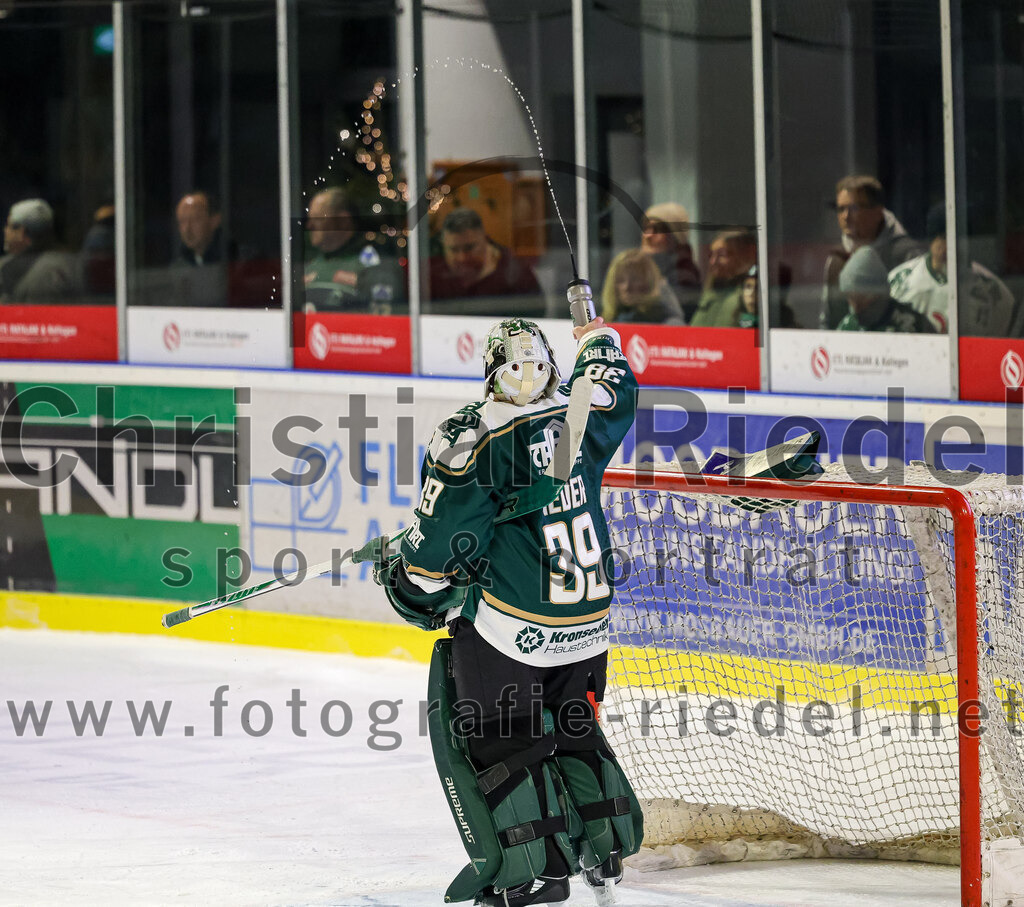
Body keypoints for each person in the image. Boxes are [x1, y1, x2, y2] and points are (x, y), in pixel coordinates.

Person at [358, 314, 643, 906]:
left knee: (501, 739)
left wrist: (400, 568)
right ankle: (604, 850)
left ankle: (531, 872)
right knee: (573, 729)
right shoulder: (580, 411)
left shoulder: (474, 437)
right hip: (589, 625)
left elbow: (435, 562)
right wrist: (595, 336)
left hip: (514, 629)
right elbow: (613, 376)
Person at [888, 202, 1017, 336]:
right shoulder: (900, 282)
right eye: (944, 238)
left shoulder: (994, 292)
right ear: (931, 240)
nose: (951, 246)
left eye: (958, 238)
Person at [820, 175, 924, 329]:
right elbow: (827, 322)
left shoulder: (908, 255)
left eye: (854, 208)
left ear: (878, 211)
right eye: (841, 209)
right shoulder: (836, 260)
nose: (846, 216)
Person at [303, 186, 405, 314]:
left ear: (343, 221)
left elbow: (389, 293)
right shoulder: (311, 261)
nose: (309, 225)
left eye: (318, 218)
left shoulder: (372, 256)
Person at [429, 208, 541, 301]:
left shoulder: (514, 272)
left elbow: (535, 316)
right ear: (443, 245)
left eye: (469, 248)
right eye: (454, 250)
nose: (462, 258)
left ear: (484, 239)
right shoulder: (430, 272)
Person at [835, 245, 935, 333]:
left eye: (861, 297)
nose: (855, 305)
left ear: (877, 293)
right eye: (850, 296)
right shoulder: (848, 326)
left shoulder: (910, 325)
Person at [0, 198, 80, 303]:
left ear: (21, 232)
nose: (5, 231)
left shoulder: (48, 273)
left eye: (9, 226)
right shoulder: (68, 263)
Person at [640, 202, 701, 321]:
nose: (649, 235)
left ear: (676, 238)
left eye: (658, 229)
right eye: (646, 228)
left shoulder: (684, 276)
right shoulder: (637, 270)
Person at [689, 230, 757, 327]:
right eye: (711, 255)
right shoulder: (710, 293)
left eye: (722, 255)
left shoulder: (750, 294)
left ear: (747, 255)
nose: (713, 262)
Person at [600, 247, 684, 324]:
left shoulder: (669, 323)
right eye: (621, 280)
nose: (627, 287)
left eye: (635, 279)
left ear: (649, 283)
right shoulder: (605, 322)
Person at [175, 190, 226, 266]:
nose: (187, 229)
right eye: (182, 221)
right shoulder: (177, 269)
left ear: (214, 221)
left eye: (195, 219)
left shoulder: (235, 260)